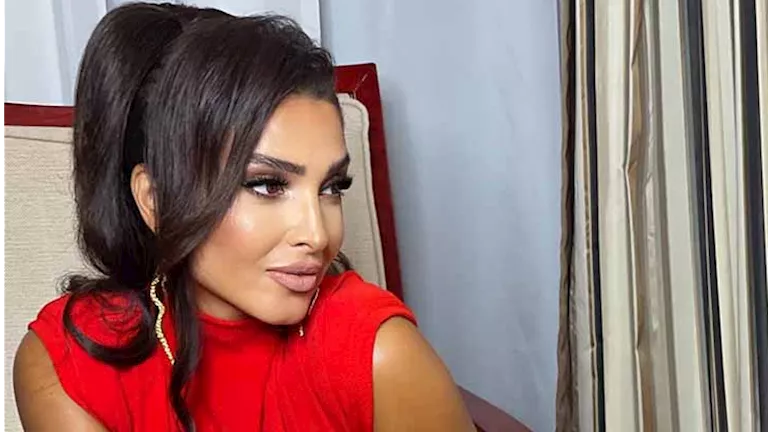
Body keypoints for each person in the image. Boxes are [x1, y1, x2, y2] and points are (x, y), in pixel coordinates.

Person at [12, 3, 475, 431]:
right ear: (156, 200)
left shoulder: (379, 356)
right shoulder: (67, 364)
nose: (317, 235)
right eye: (267, 185)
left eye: (332, 187)